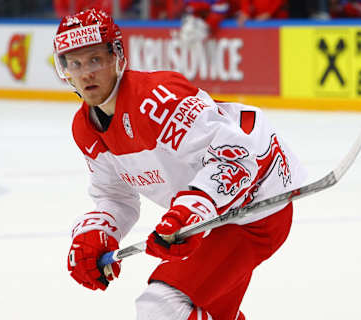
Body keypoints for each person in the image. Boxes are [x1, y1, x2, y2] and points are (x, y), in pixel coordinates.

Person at [54, 8, 306, 320]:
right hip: (215, 221)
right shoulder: (85, 128)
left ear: (117, 56)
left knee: (160, 306)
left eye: (95, 59)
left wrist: (191, 210)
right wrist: (97, 233)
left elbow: (235, 156)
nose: (85, 73)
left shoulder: (157, 98)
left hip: (254, 211)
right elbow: (115, 196)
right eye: (74, 64)